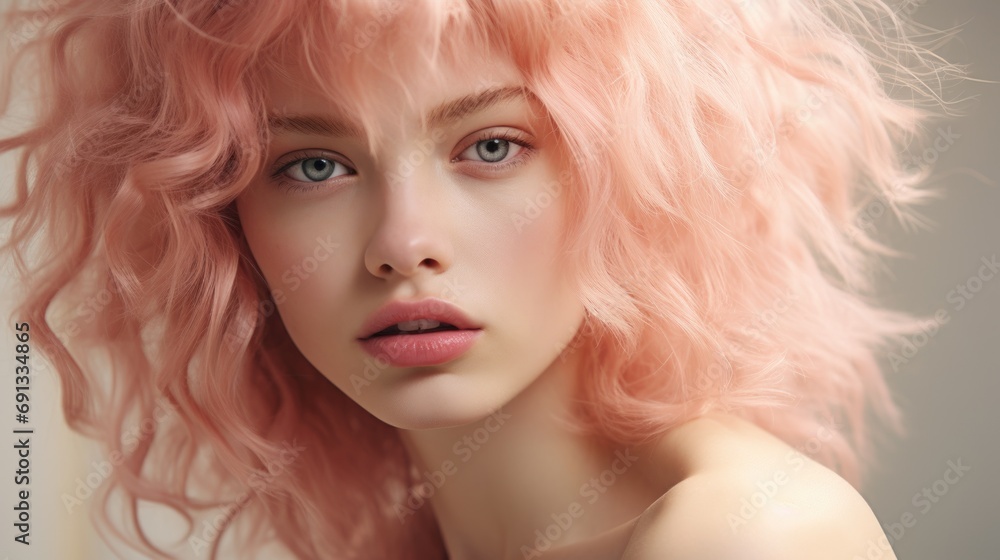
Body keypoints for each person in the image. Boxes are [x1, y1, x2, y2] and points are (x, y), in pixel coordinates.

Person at [0, 0, 962, 558]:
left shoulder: (747, 537)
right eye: (314, 165)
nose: (402, 244)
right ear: (224, 223)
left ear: (634, 167)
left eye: (491, 145)